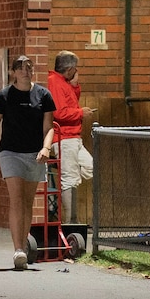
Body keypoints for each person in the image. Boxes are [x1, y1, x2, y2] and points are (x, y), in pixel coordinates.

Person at [0, 55, 56, 270]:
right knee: (16, 198)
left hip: (35, 153)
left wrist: (46, 148)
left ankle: (22, 246)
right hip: (10, 152)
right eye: (20, 68)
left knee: (27, 201)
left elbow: (49, 127)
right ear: (13, 72)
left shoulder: (43, 95)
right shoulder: (4, 96)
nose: (25, 71)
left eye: (29, 67)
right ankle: (17, 249)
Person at [47, 51, 95, 223]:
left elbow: (70, 102)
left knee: (90, 167)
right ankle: (70, 222)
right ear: (69, 69)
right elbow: (60, 112)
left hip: (73, 137)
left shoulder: (63, 83)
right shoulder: (55, 82)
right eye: (75, 69)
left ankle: (71, 220)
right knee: (69, 179)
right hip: (64, 138)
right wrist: (81, 112)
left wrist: (74, 86)